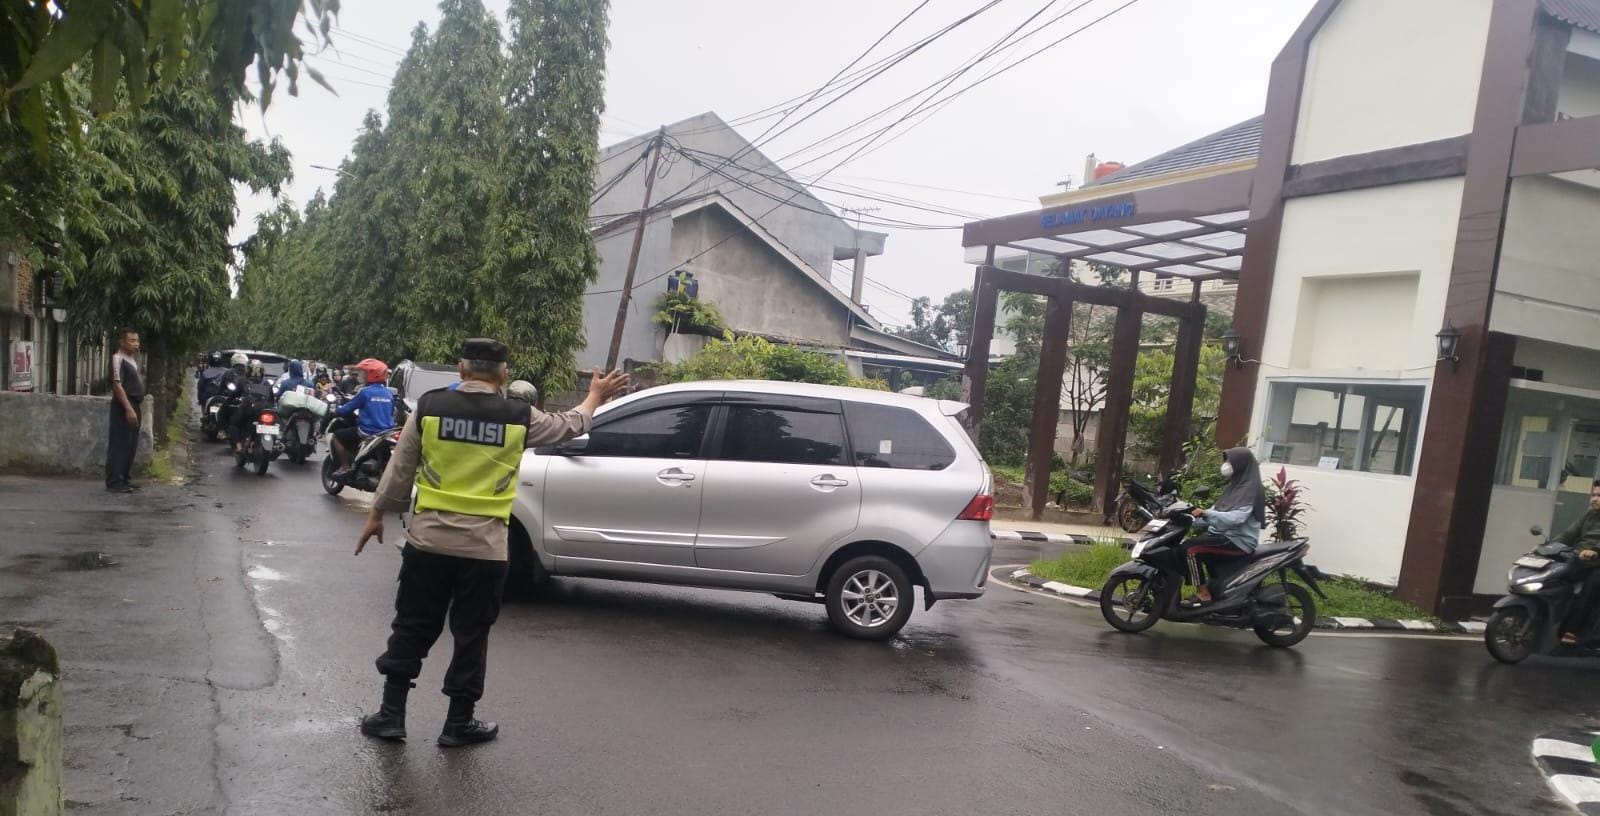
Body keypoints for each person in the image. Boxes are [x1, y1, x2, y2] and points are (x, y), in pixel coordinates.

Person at [354, 339, 629, 747]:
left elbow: (401, 468)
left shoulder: (429, 407)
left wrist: (377, 514)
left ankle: (392, 715)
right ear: (503, 375)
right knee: (471, 634)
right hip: (485, 550)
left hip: (428, 542)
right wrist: (593, 396)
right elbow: (571, 424)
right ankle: (457, 724)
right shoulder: (518, 416)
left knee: (412, 626)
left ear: (461, 370)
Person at [1182, 447, 1266, 605]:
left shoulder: (1251, 490)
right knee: (1184, 547)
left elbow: (1236, 519)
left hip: (1238, 541)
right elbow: (1215, 512)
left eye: (1230, 461)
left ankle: (1203, 593)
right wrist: (1187, 519)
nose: (1226, 464)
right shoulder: (1234, 486)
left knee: (1190, 550)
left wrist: (1206, 514)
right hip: (1223, 536)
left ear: (1241, 464)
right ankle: (1213, 590)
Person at [331, 359, 396, 477]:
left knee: (337, 436)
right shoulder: (388, 394)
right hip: (386, 433)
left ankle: (344, 467)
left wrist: (335, 410)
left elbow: (346, 409)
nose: (360, 375)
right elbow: (391, 412)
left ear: (371, 374)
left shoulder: (364, 392)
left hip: (367, 431)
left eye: (363, 372)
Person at [1558, 481, 1600, 646]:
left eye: (1599, 496)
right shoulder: (1589, 515)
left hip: (1597, 564)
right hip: (1583, 560)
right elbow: (1569, 534)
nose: (1595, 499)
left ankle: (1574, 630)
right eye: (1594, 495)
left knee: (1591, 584)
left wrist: (1595, 550)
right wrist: (1546, 547)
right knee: (1559, 576)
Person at [105, 329, 144, 493]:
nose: (136, 344)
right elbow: (117, 384)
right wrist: (128, 409)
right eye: (132, 341)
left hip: (135, 404)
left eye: (137, 340)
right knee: (119, 444)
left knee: (131, 444)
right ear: (122, 342)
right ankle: (114, 481)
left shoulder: (133, 360)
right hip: (123, 406)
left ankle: (125, 478)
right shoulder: (117, 359)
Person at [229, 360, 275, 455]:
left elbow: (233, 396)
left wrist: (229, 402)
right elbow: (272, 400)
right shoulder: (267, 383)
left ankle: (238, 446)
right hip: (264, 409)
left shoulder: (242, 381)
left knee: (234, 423)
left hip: (249, 409)